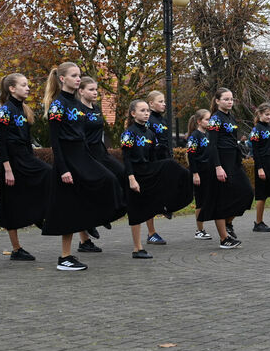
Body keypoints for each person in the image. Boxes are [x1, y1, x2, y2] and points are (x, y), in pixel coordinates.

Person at [41, 61, 125, 271]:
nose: (78, 78)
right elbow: (56, 141)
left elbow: (87, 135)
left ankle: (92, 221)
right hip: (68, 160)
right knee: (69, 207)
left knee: (109, 180)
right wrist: (64, 168)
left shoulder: (78, 105)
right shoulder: (58, 105)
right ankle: (65, 257)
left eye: (79, 75)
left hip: (83, 155)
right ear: (62, 79)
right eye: (74, 75)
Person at [121, 99, 194, 259]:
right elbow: (126, 158)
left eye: (147, 110)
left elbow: (153, 158)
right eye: (142, 111)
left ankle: (168, 206)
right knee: (136, 211)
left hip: (148, 171)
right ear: (133, 114)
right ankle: (137, 248)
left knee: (169, 166)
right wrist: (131, 179)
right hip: (135, 174)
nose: (146, 113)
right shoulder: (128, 133)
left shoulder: (150, 134)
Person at [0, 73, 52, 261]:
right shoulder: (5, 110)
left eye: (28, 85)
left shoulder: (24, 110)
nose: (28, 88)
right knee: (10, 203)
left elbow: (27, 141)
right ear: (12, 89)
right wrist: (8, 169)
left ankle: (38, 215)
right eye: (23, 85)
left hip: (26, 158)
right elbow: (1, 142)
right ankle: (16, 249)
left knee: (48, 175)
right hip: (11, 162)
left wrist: (32, 158)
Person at [75, 76, 124, 253]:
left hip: (101, 152)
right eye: (91, 89)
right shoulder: (78, 109)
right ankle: (89, 229)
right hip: (87, 154)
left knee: (122, 174)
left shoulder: (96, 108)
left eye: (96, 90)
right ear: (81, 91)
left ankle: (104, 214)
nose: (95, 93)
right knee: (99, 185)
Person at [201, 87, 253, 245]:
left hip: (234, 161)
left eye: (231, 99)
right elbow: (212, 145)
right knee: (222, 200)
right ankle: (224, 239)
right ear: (217, 101)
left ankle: (229, 223)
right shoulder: (216, 118)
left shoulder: (231, 117)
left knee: (247, 192)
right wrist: (218, 167)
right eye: (226, 99)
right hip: (221, 161)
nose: (230, 102)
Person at [186, 109, 229, 244]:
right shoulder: (194, 136)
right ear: (199, 121)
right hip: (200, 172)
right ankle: (200, 230)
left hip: (211, 172)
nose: (210, 122)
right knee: (200, 201)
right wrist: (195, 174)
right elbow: (191, 156)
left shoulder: (210, 135)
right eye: (207, 119)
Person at [143, 90, 173, 246]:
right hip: (153, 160)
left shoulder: (163, 120)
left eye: (164, 101)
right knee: (151, 196)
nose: (164, 104)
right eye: (160, 101)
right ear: (151, 104)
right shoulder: (149, 120)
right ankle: (151, 233)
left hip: (164, 158)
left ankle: (166, 205)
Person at [249, 103, 270, 232]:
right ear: (260, 114)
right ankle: (258, 223)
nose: (269, 117)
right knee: (261, 194)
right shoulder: (256, 130)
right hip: (263, 163)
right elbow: (255, 151)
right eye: (266, 114)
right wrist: (260, 168)